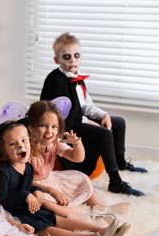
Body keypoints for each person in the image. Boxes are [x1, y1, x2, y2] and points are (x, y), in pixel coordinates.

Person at [0, 121, 130, 236]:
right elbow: (2, 202)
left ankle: (102, 231)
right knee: (45, 227)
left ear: (29, 142)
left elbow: (29, 185)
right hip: (14, 213)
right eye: (13, 144)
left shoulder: (28, 167)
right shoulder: (4, 171)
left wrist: (36, 191)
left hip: (28, 206)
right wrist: (25, 195)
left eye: (24, 140)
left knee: (56, 218)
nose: (20, 146)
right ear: (4, 150)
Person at [40, 32, 146, 197]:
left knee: (118, 122)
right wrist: (90, 122)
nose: (73, 61)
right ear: (57, 60)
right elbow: (68, 115)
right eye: (66, 57)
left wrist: (103, 114)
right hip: (66, 126)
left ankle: (120, 162)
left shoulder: (76, 76)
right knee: (103, 134)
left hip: (78, 117)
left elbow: (86, 104)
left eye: (76, 56)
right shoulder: (57, 81)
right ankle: (116, 182)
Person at [25, 100, 133, 226]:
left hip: (51, 178)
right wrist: (52, 191)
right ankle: (79, 217)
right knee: (44, 202)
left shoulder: (54, 143)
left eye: (54, 127)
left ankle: (98, 207)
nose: (49, 131)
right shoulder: (27, 147)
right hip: (33, 185)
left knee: (81, 177)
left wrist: (76, 143)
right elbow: (24, 179)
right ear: (32, 127)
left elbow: (77, 158)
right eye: (43, 126)